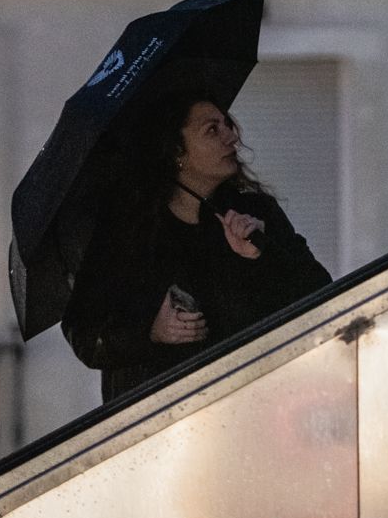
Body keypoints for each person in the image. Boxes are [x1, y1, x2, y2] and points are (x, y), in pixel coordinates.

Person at [61, 91, 333, 402]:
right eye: (212, 130)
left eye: (227, 124)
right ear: (176, 150)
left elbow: (319, 294)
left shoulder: (255, 215)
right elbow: (85, 332)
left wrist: (261, 257)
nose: (232, 137)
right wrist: (151, 330)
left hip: (252, 407)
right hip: (159, 423)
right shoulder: (128, 234)